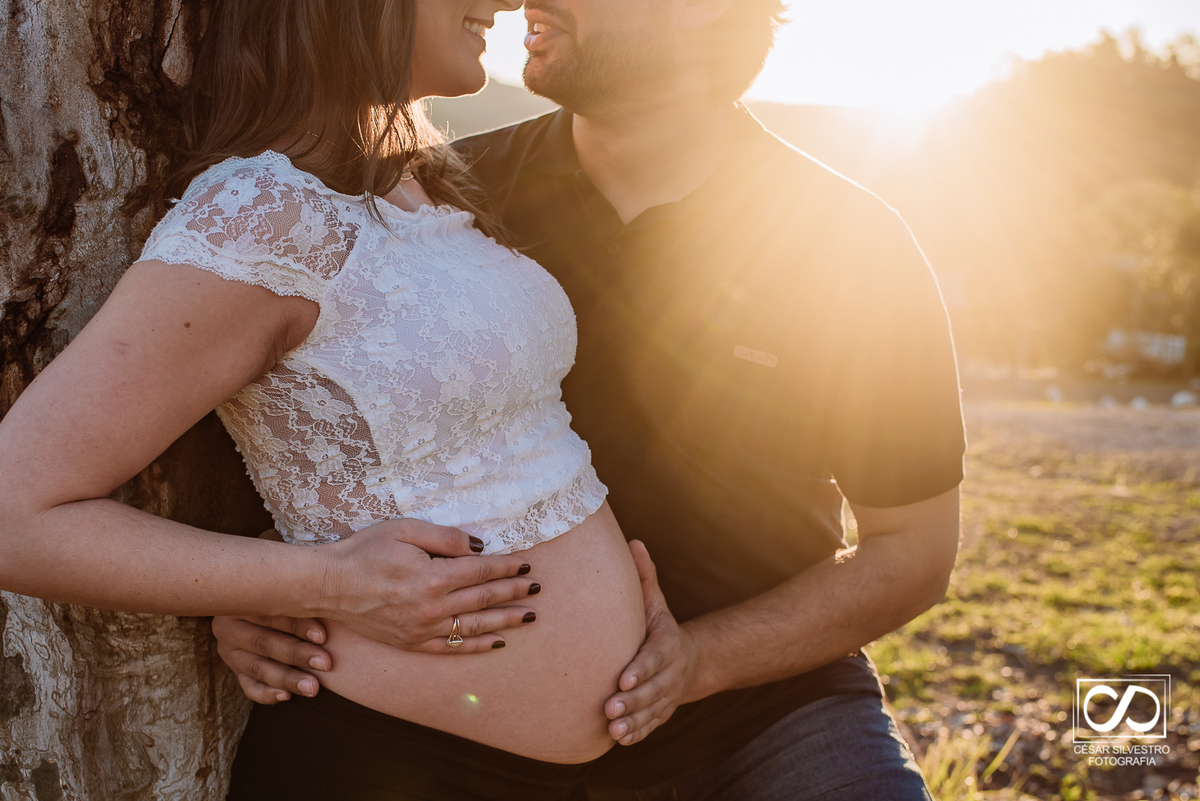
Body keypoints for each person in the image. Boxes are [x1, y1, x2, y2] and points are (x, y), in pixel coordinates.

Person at [216, 0, 968, 798]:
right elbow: (280, 421)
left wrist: (699, 661)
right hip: (443, 713)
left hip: (759, 713)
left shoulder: (852, 242)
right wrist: (274, 586)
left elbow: (911, 552)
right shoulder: (434, 201)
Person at [0, 0, 659, 798]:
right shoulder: (262, 216)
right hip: (388, 763)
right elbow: (14, 513)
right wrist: (321, 581)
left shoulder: (412, 179)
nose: (504, 3)